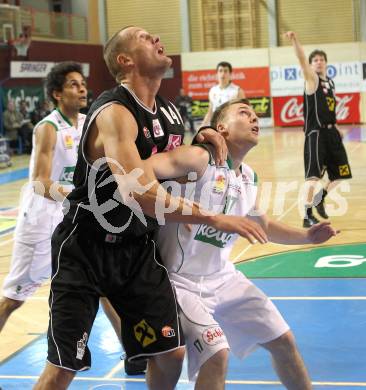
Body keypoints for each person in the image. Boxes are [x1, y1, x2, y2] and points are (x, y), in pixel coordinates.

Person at [34, 27, 268, 390]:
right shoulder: (115, 112)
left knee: (170, 352)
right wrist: (209, 216)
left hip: (137, 248)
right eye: (145, 38)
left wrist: (200, 138)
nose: (158, 38)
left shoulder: (171, 113)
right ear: (125, 61)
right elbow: (137, 192)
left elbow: (166, 161)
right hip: (87, 247)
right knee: (64, 368)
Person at [146, 98, 338, 390]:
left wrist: (307, 237)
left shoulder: (249, 177)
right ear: (220, 128)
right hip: (179, 281)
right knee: (216, 354)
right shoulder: (199, 158)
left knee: (284, 341)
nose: (254, 118)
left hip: (224, 278)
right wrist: (175, 204)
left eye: (255, 114)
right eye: (244, 113)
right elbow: (140, 171)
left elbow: (263, 225)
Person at [0, 62, 87, 333]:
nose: (82, 87)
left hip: (71, 217)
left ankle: (133, 356)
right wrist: (79, 196)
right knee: (13, 299)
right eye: (74, 84)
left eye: (82, 82)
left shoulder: (88, 122)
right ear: (57, 94)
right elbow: (39, 183)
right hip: (41, 220)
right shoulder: (47, 128)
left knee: (98, 283)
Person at [285, 31, 352, 228]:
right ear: (311, 64)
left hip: (332, 133)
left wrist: (337, 128)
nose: (318, 62)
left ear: (326, 63)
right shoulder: (311, 80)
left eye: (322, 59)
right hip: (316, 134)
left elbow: (328, 109)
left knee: (340, 174)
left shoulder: (330, 83)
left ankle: (320, 199)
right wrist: (295, 40)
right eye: (315, 60)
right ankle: (307, 215)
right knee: (313, 176)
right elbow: (301, 58)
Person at [201, 61, 245, 126]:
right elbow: (210, 111)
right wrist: (202, 126)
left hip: (231, 127)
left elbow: (244, 111)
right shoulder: (212, 90)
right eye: (220, 71)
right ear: (217, 74)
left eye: (225, 71)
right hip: (215, 126)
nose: (223, 74)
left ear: (230, 74)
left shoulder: (237, 91)